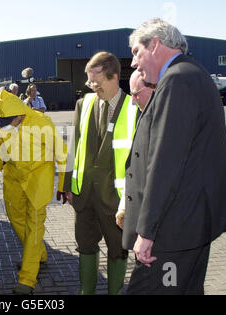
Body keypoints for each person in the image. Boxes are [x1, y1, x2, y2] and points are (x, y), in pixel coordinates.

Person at [125, 18, 226, 295]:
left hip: (171, 234)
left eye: (136, 53)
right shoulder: (193, 74)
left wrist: (147, 232)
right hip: (186, 227)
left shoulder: (177, 81)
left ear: (154, 44)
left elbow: (166, 163)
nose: (133, 63)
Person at [0, 89, 68, 295]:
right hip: (14, 177)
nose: (1, 128)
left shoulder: (42, 122)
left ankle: (27, 279)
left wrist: (64, 186)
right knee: (15, 218)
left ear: (20, 116)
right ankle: (38, 253)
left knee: (35, 225)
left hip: (38, 177)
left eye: (6, 124)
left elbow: (62, 154)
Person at [63, 51, 138, 295]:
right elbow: (74, 146)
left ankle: (115, 291)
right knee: (85, 246)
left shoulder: (134, 108)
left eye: (97, 82)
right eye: (90, 82)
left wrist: (132, 200)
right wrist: (67, 185)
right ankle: (87, 291)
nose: (93, 87)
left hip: (116, 199)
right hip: (83, 195)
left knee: (118, 249)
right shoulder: (83, 104)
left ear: (114, 76)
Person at [115, 70, 154, 230]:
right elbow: (133, 167)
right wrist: (123, 207)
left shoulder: (167, 122)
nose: (132, 99)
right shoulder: (142, 118)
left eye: (136, 94)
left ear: (154, 88)